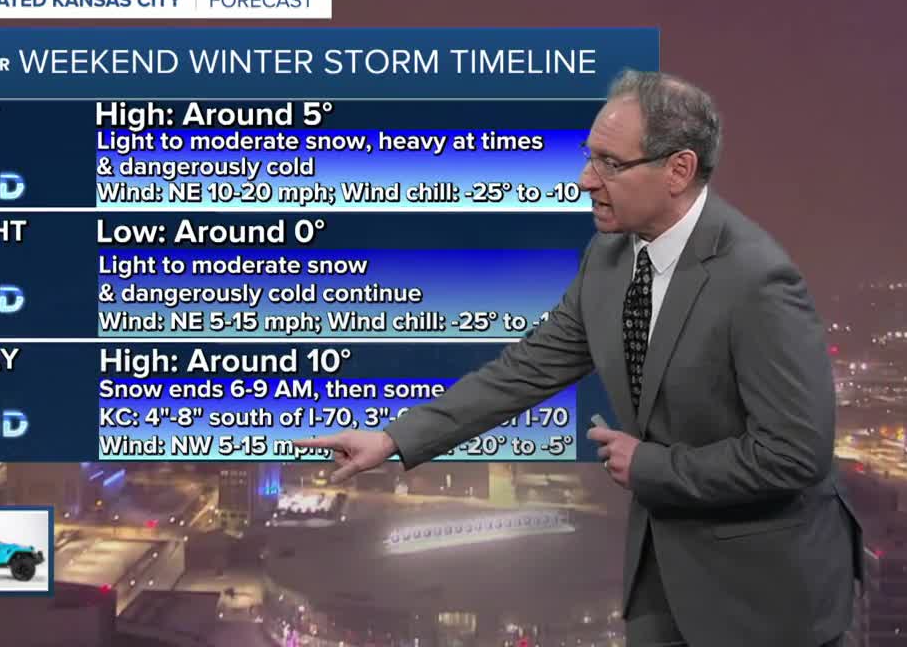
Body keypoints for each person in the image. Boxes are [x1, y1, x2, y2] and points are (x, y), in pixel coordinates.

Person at [293, 69, 863, 647]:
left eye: (610, 164)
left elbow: (795, 454)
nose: (586, 179)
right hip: (661, 581)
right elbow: (528, 367)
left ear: (678, 170)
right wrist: (394, 438)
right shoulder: (609, 257)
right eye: (589, 157)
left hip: (765, 599)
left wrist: (650, 467)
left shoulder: (756, 280)